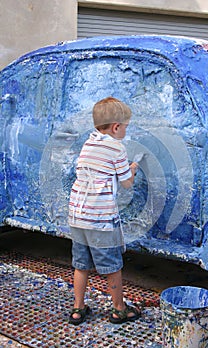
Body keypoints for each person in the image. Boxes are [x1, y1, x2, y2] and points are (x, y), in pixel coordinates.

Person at [68, 96, 141, 325]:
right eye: (125, 127)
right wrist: (133, 168)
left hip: (77, 217)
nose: (125, 132)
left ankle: (78, 309)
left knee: (81, 265)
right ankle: (119, 309)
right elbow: (127, 182)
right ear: (116, 127)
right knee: (112, 267)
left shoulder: (88, 143)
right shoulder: (116, 148)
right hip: (100, 219)